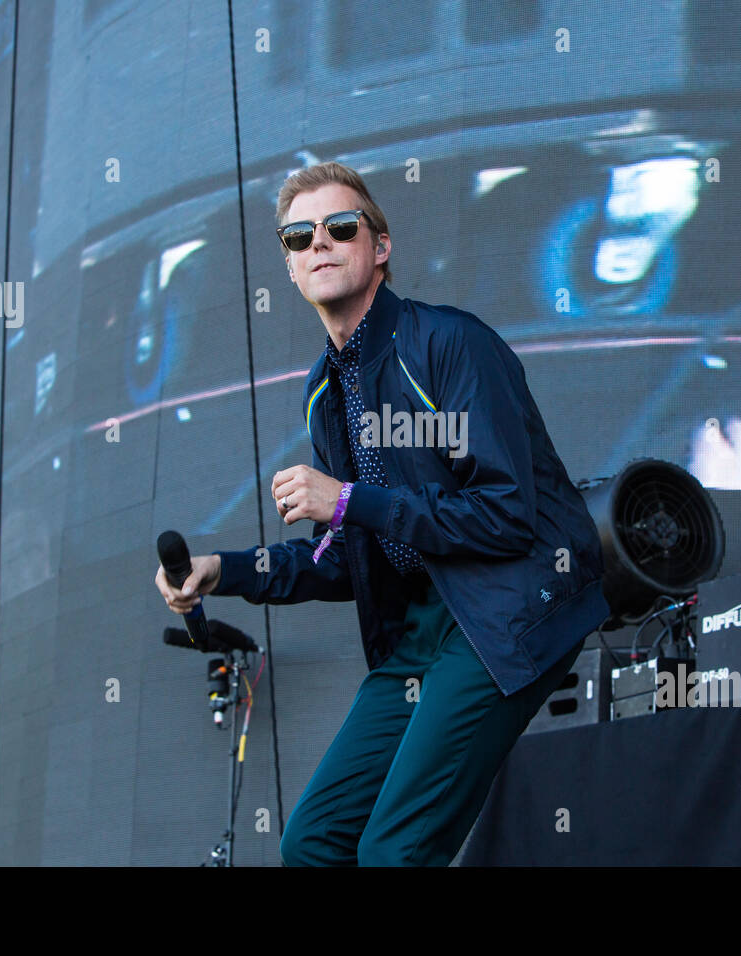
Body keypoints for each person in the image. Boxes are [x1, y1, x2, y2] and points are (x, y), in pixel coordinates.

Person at [155, 161, 609, 866]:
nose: (320, 245)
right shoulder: (324, 394)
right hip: (419, 637)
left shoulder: (449, 344)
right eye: (299, 238)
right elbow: (344, 557)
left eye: (341, 227)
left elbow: (506, 515)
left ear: (381, 247)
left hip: (503, 610)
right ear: (289, 267)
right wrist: (224, 570)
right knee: (311, 843)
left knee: (394, 851)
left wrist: (347, 499)